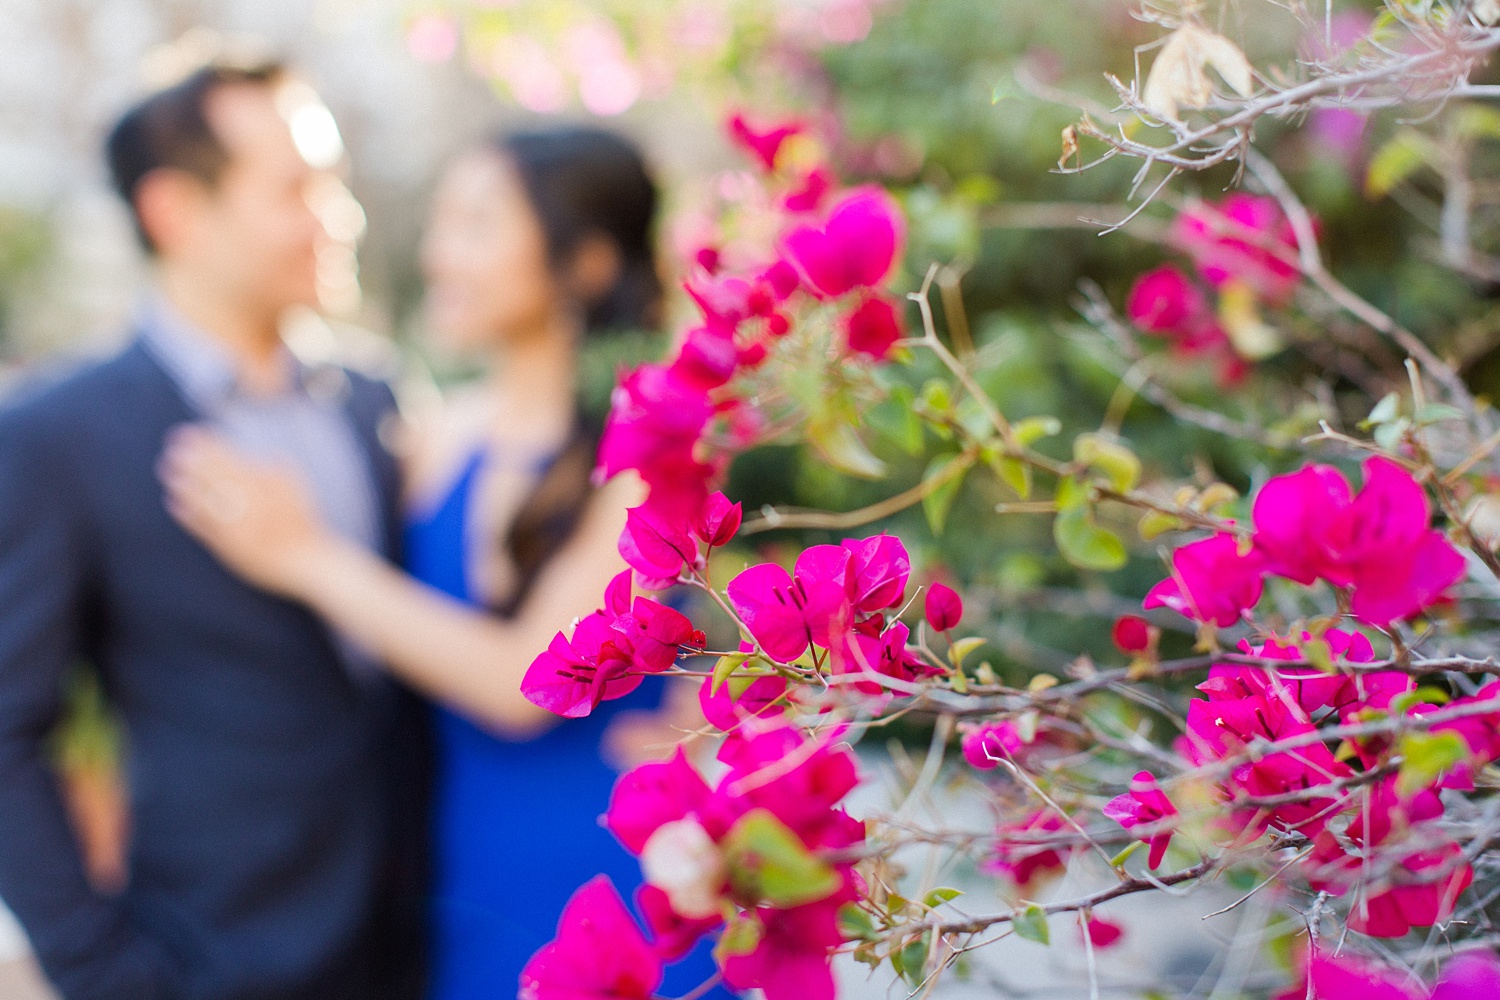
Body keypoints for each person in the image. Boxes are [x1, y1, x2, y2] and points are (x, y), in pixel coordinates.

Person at [159, 128, 728, 998]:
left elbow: (524, 683)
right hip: (456, 878)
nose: (437, 254)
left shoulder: (655, 453)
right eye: (440, 223)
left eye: (476, 225)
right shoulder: (426, 435)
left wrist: (303, 554)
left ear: (585, 262)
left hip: (613, 879)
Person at [0, 61, 431, 1000]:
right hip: (214, 960)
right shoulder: (56, 435)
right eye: (296, 188)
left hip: (421, 945)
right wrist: (105, 974)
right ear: (174, 212)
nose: (340, 215)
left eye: (335, 181)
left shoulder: (373, 400)